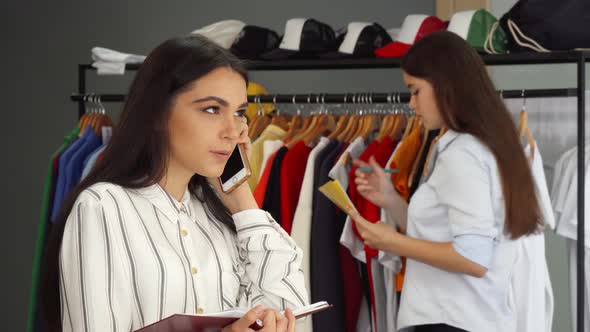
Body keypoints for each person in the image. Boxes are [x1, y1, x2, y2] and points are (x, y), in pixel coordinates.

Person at [40, 35, 307, 332]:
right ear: (157, 113)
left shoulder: (222, 218)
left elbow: (288, 310)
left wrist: (242, 197)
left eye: (239, 113)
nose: (233, 131)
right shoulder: (103, 207)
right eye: (211, 110)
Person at [348, 31, 543, 332]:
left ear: (445, 87)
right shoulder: (480, 145)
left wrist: (391, 241)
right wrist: (392, 201)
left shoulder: (464, 154)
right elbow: (445, 234)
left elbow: (473, 258)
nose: (411, 104)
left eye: (415, 91)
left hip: (453, 322)